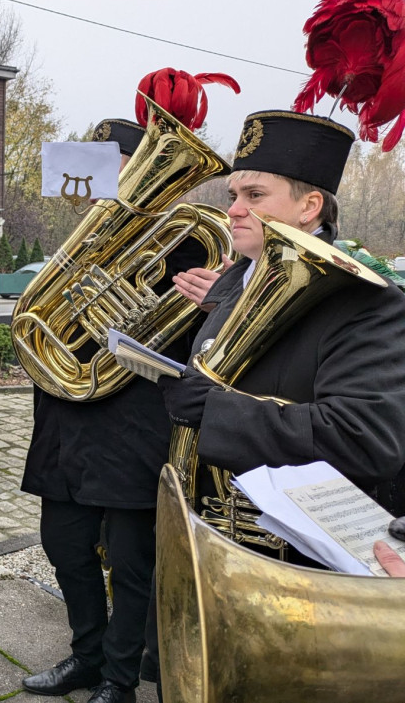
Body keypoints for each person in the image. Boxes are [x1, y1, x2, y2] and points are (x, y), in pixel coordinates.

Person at [152, 112, 405, 700]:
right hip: (216, 543)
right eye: (233, 194)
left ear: (310, 206)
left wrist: (216, 412)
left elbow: (366, 437)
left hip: (298, 573)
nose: (233, 209)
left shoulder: (365, 301)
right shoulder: (237, 281)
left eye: (254, 195)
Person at [20, 118, 209, 703]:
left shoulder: (187, 243)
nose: (99, 175)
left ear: (137, 166)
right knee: (65, 546)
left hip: (133, 426)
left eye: (111, 163)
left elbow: (195, 342)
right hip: (66, 419)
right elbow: (39, 330)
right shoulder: (81, 240)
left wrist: (200, 303)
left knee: (130, 566)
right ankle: (86, 654)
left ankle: (119, 680)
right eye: (92, 163)